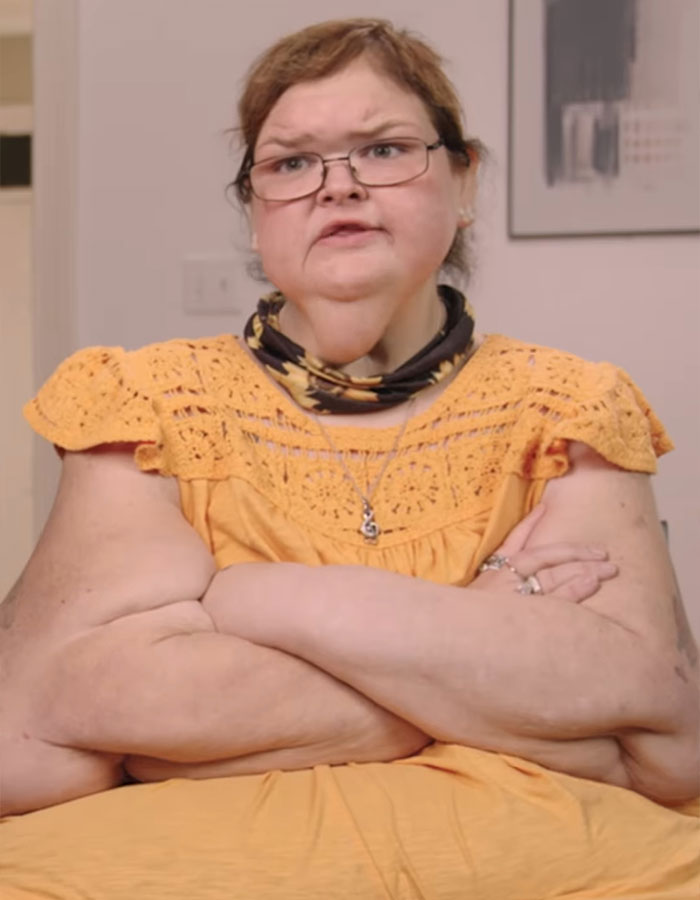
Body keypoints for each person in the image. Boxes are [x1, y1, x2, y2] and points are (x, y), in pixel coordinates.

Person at [1, 17, 698, 899]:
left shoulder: (571, 406)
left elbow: (661, 731)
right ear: (255, 211)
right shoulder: (149, 400)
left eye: (383, 148)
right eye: (291, 163)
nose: (338, 188)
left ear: (464, 177)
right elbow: (34, 734)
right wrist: (474, 648)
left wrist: (265, 598)